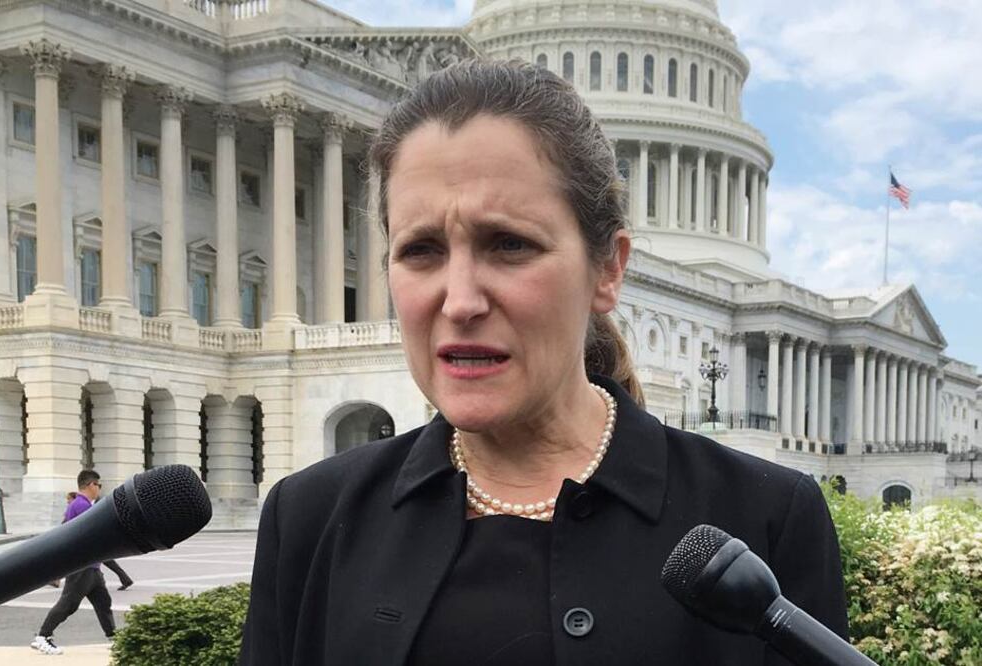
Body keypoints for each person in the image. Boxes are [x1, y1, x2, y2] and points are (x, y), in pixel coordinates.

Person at [238, 59, 848, 665]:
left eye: (509, 245)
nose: (460, 300)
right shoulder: (310, 517)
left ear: (607, 268)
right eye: (420, 250)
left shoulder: (767, 515)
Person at [31, 470, 116, 655]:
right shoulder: (81, 505)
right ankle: (43, 636)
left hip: (91, 565)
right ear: (91, 485)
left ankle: (114, 637)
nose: (99, 489)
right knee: (69, 603)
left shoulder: (80, 504)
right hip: (82, 565)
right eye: (98, 485)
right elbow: (92, 532)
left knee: (103, 602)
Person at [49, 491, 134, 591]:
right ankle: (124, 579)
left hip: (89, 542)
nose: (67, 501)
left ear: (73, 498)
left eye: (69, 499)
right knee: (108, 561)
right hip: (94, 542)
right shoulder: (76, 507)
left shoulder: (77, 506)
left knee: (67, 560)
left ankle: (57, 579)